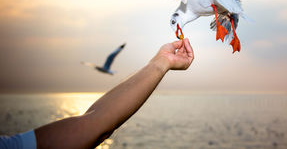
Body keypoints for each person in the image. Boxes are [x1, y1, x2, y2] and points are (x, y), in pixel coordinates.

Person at [0, 38, 194, 149]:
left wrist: (160, 62)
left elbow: (97, 125)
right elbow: (97, 124)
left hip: (113, 71)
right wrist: (160, 64)